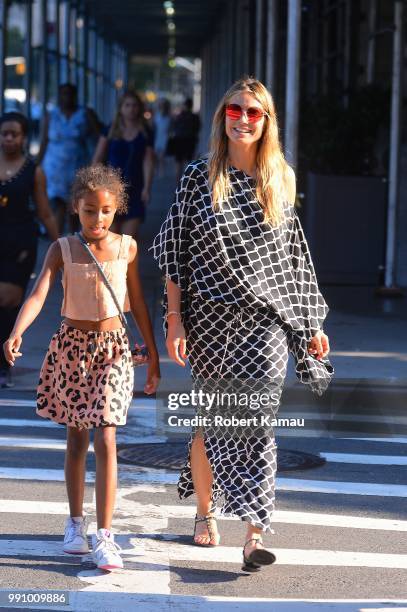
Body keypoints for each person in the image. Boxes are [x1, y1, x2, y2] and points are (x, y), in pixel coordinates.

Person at [150, 77, 333, 572]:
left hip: (266, 322)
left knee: (257, 422)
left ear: (267, 121)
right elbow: (175, 253)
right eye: (236, 110)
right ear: (222, 116)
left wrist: (310, 322)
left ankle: (254, 534)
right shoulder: (197, 176)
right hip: (207, 319)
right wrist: (173, 319)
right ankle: (204, 512)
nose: (244, 119)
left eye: (255, 113)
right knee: (213, 423)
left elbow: (292, 258)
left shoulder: (282, 179)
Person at [3, 164, 160, 570]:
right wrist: (17, 330)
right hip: (72, 349)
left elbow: (138, 303)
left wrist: (154, 354)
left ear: (116, 210)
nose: (98, 219)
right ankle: (76, 524)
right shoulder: (62, 249)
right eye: (90, 210)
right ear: (76, 208)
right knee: (77, 439)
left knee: (106, 437)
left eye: (106, 211)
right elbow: (39, 294)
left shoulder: (127, 247)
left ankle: (105, 535)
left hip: (112, 349)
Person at [0, 112, 58, 388]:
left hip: (20, 244)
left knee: (8, 301)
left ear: (24, 138)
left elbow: (45, 212)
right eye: (4, 133)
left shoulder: (33, 171)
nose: (9, 138)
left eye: (14, 134)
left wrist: (62, 246)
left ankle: (3, 363)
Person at [37, 83, 100, 234]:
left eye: (70, 94)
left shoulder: (85, 114)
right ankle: (57, 241)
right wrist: (37, 164)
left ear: (75, 96)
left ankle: (72, 239)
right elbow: (44, 141)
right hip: (54, 169)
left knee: (74, 206)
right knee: (57, 203)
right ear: (59, 96)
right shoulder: (50, 116)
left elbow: (100, 137)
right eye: (63, 94)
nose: (66, 97)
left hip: (77, 166)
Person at [92, 90, 155, 238]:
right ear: (121, 108)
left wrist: (147, 187)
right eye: (127, 105)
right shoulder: (110, 130)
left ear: (139, 108)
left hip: (135, 188)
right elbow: (98, 158)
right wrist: (96, 185)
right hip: (111, 190)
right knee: (110, 238)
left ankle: (127, 262)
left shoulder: (145, 131)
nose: (131, 109)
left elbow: (148, 161)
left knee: (128, 240)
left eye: (134, 105)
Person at [171, 98, 201, 183]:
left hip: (179, 140)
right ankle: (187, 180)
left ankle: (178, 181)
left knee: (178, 162)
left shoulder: (179, 116)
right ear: (191, 106)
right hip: (190, 140)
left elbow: (174, 127)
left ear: (184, 105)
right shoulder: (194, 117)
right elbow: (197, 128)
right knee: (189, 161)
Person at [153, 98, 171, 177]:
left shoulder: (169, 116)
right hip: (157, 137)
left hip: (164, 137)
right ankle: (157, 170)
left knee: (161, 156)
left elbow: (170, 127)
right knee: (156, 156)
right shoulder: (156, 115)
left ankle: (161, 170)